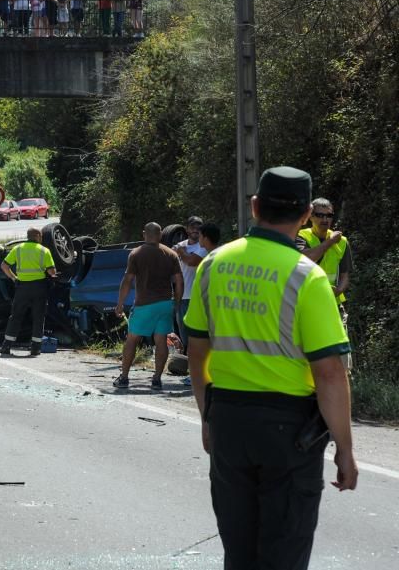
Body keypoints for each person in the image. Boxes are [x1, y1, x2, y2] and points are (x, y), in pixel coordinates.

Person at [185, 166, 357, 570]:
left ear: (255, 206)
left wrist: (207, 418)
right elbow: (330, 372)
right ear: (304, 216)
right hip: (289, 432)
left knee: (239, 551)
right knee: (283, 552)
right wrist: (346, 450)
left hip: (227, 420)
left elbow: (196, 352)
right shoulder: (307, 277)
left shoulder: (213, 264)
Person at [114, 222, 183, 390]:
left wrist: (120, 304)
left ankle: (124, 378)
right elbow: (179, 281)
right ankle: (157, 379)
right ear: (160, 235)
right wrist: (177, 303)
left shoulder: (136, 253)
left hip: (144, 304)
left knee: (132, 340)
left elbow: (128, 280)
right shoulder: (171, 254)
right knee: (160, 340)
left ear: (144, 234)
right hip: (165, 303)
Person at [296, 197, 353, 367]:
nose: (325, 219)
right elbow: (306, 258)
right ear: (310, 217)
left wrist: (339, 290)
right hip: (307, 304)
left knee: (340, 356)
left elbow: (345, 274)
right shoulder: (300, 236)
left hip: (333, 305)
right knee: (308, 356)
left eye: (329, 215)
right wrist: (329, 243)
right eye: (320, 215)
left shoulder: (342, 242)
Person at [0, 227, 57, 356]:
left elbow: (4, 266)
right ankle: (35, 348)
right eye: (41, 236)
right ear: (37, 236)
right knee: (38, 317)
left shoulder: (18, 249)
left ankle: (6, 346)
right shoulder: (44, 251)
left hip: (22, 288)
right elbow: (52, 272)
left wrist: (14, 278)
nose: (41, 238)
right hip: (39, 288)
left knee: (16, 316)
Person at [174, 216, 208, 352]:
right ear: (187, 229)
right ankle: (185, 360)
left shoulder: (204, 246)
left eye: (199, 227)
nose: (196, 229)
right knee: (183, 332)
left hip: (199, 296)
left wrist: (181, 251)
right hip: (182, 296)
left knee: (197, 332)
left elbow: (191, 261)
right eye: (192, 227)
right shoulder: (179, 245)